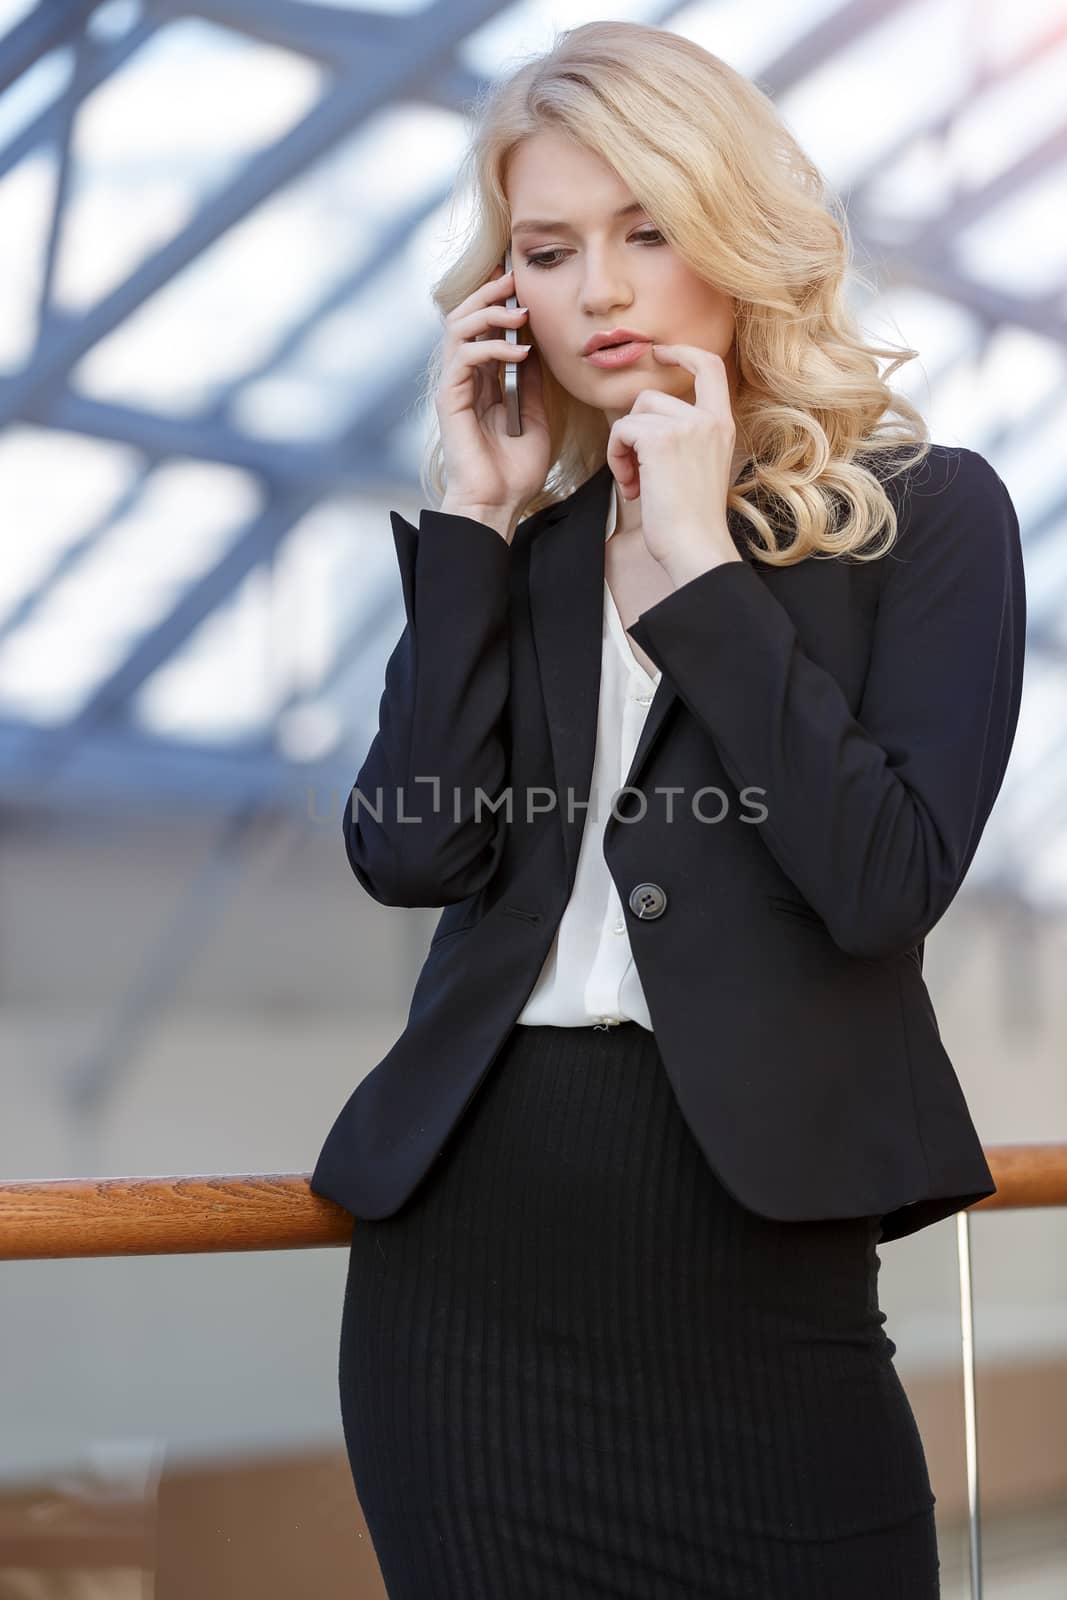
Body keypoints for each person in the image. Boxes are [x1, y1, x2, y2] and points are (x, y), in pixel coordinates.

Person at [311, 21, 1026, 1598]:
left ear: (738, 232)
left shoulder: (928, 518)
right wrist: (473, 520)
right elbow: (412, 848)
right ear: (510, 294)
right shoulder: (524, 548)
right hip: (470, 1291)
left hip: (764, 1280)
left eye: (647, 228)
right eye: (551, 249)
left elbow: (881, 880)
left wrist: (702, 567)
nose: (603, 289)